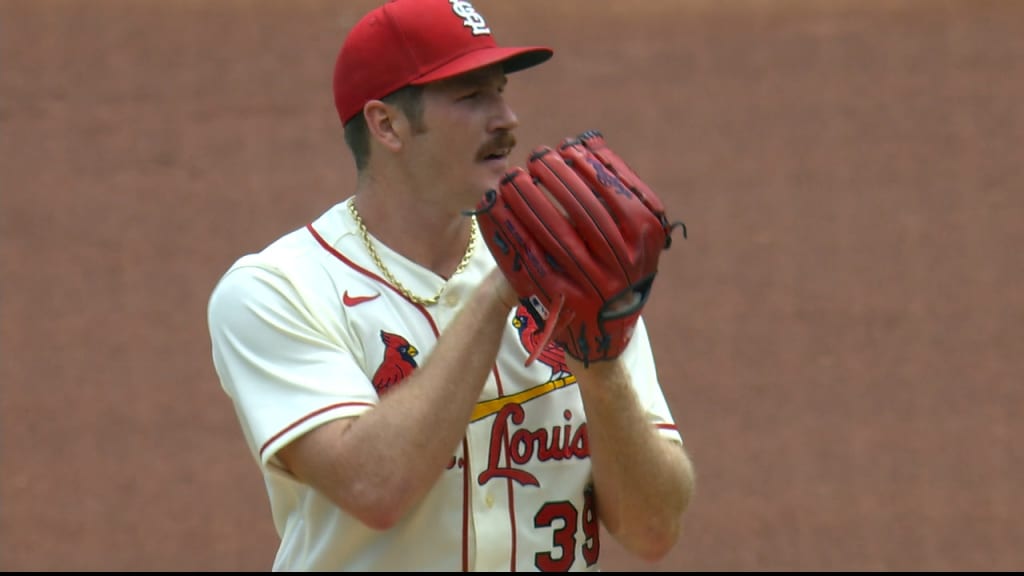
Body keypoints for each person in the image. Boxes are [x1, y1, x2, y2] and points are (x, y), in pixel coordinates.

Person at [206, 0, 695, 570]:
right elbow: (373, 488)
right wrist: (498, 293)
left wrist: (600, 366)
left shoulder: (571, 272)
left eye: (501, 91)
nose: (506, 119)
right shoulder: (279, 290)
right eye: (471, 97)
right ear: (386, 124)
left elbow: (654, 529)